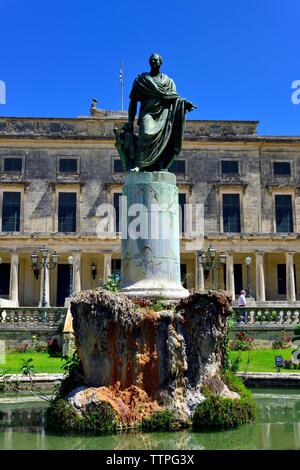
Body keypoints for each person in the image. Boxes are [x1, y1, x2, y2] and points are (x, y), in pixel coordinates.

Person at [114, 53, 197, 171]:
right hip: (147, 113)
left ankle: (159, 165)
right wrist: (130, 122)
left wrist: (184, 103)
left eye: (155, 60)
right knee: (146, 133)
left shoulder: (168, 81)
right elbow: (133, 102)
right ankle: (139, 164)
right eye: (151, 60)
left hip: (164, 115)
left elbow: (175, 98)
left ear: (161, 62)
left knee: (165, 140)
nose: (153, 62)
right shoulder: (141, 80)